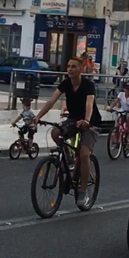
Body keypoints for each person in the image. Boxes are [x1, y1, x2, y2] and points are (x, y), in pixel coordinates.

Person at [35, 57, 101, 198]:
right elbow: (51, 101)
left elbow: (89, 104)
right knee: (55, 132)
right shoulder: (65, 83)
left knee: (84, 154)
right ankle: (69, 160)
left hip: (91, 122)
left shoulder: (88, 85)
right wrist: (37, 117)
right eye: (68, 66)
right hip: (73, 120)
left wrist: (87, 120)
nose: (70, 69)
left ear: (81, 69)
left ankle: (83, 191)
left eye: (73, 67)